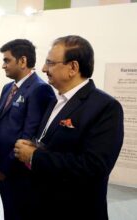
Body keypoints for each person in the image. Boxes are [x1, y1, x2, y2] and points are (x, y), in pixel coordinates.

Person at [14, 35, 124, 220]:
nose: (43, 69)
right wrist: (34, 146)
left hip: (75, 210)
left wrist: (35, 156)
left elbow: (94, 167)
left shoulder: (105, 107)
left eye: (50, 63)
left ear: (73, 67)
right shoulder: (56, 101)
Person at [0, 39, 55, 220]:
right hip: (2, 167)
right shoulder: (7, 88)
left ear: (23, 61)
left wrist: (5, 168)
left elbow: (30, 137)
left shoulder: (40, 90)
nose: (3, 65)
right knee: (9, 213)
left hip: (21, 172)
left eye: (7, 60)